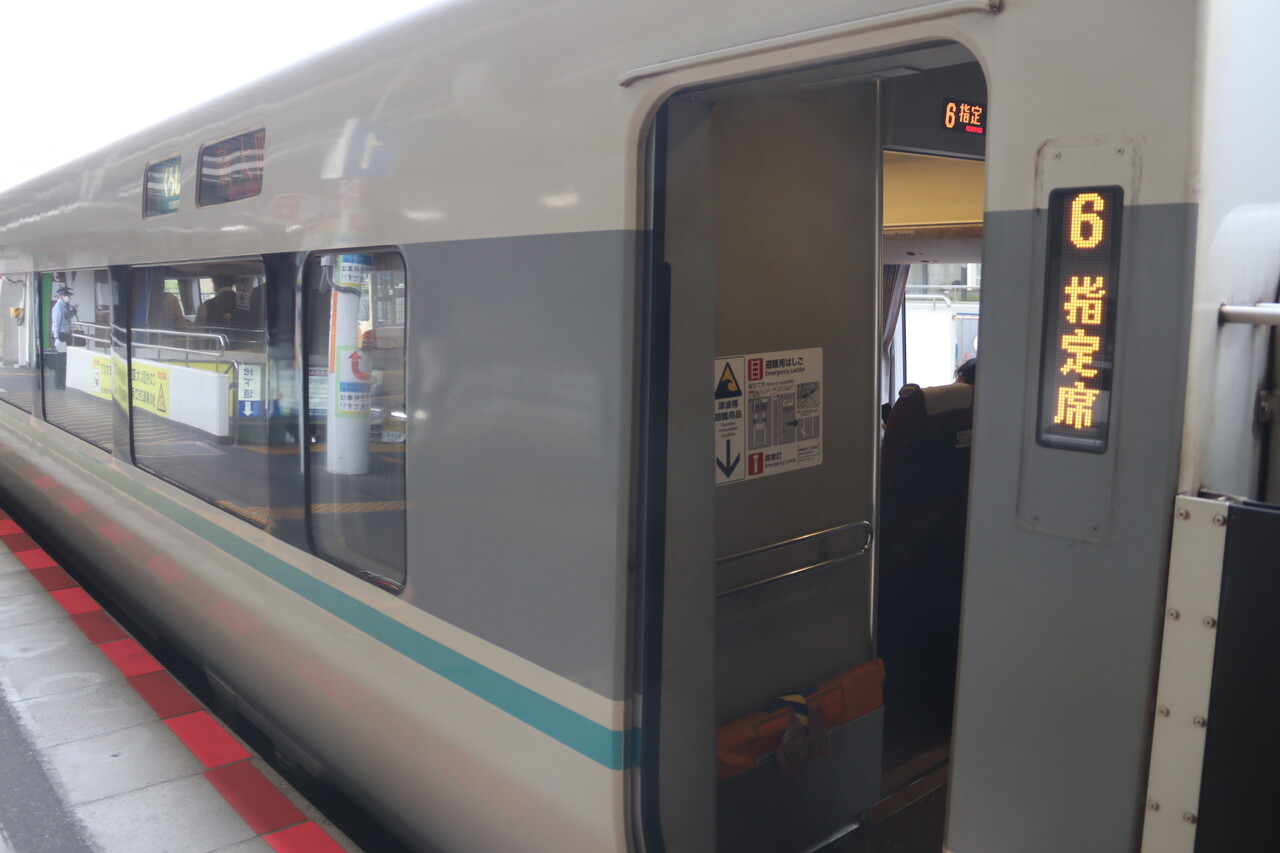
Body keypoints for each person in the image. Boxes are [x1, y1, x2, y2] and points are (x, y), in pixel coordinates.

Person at [50, 285, 77, 389]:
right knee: (60, 360)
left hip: (66, 335)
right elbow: (56, 324)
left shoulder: (66, 305)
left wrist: (74, 311)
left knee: (66, 359)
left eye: (68, 295)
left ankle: (63, 382)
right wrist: (56, 339)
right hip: (60, 336)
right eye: (66, 295)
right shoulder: (58, 307)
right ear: (61, 296)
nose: (68, 297)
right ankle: (58, 383)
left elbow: (68, 317)